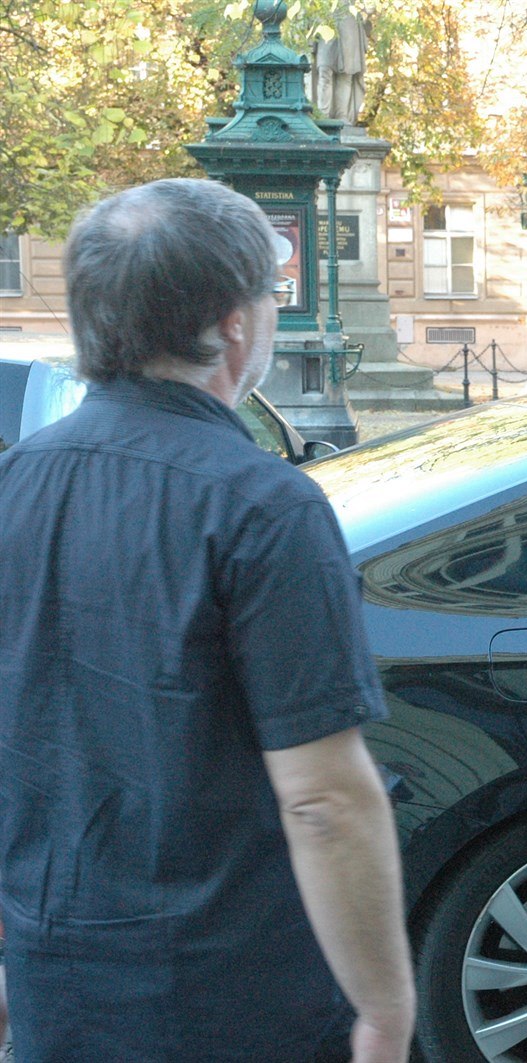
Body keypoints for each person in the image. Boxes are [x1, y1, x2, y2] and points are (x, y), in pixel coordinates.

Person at [0, 178, 414, 1062]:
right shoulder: (266, 507)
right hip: (230, 998)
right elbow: (325, 799)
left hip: (54, 984)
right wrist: (385, 1008)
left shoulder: (13, 482)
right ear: (235, 325)